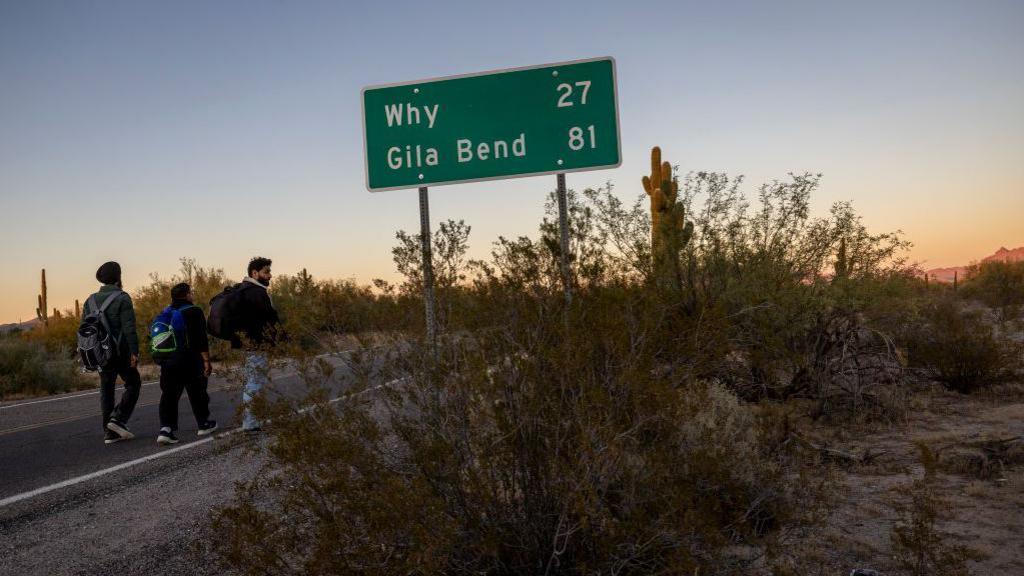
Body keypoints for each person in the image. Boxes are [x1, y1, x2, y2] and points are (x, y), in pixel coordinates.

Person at [84, 261, 141, 444]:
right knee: (133, 383)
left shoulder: (89, 300)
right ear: (118, 277)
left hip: (100, 354)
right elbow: (129, 328)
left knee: (107, 390)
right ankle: (118, 419)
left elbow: (85, 328)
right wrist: (135, 351)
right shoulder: (123, 298)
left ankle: (109, 433)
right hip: (120, 352)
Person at [155, 283, 217, 445]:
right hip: (190, 359)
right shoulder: (194, 311)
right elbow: (200, 338)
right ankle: (203, 424)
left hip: (168, 360)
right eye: (191, 293)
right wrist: (206, 360)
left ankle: (166, 429)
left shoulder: (166, 312)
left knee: (169, 395)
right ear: (187, 295)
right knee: (197, 392)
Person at [234, 256, 281, 432]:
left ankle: (253, 420)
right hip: (257, 344)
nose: (270, 275)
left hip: (250, 344)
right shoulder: (256, 292)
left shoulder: (243, 290)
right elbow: (270, 319)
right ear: (255, 273)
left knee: (254, 381)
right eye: (266, 272)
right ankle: (250, 423)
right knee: (254, 383)